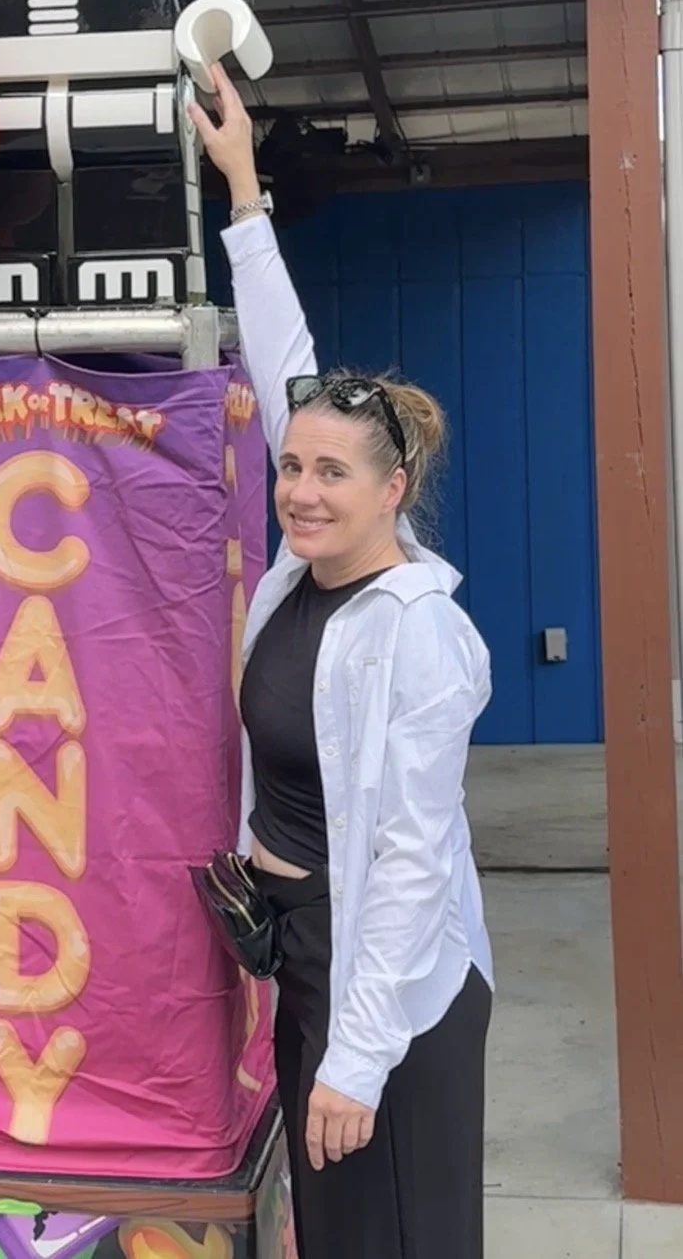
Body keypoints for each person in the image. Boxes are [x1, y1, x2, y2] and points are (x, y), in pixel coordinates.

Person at [189, 67, 494, 1259]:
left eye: (333, 473)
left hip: (393, 981)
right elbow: (283, 364)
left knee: (390, 1233)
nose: (301, 489)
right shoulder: (299, 581)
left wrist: (359, 1056)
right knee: (336, 1226)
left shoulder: (416, 628)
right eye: (292, 466)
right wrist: (244, 186)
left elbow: (414, 860)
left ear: (392, 490)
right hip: (304, 945)